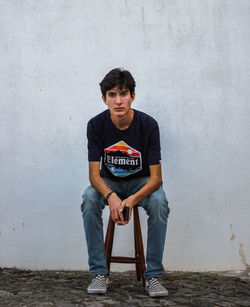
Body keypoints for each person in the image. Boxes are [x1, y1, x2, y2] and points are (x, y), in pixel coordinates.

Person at [81, 68, 170, 297]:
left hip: (141, 183)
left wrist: (131, 199)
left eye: (123, 93)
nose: (118, 101)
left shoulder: (148, 125)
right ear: (104, 99)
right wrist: (111, 196)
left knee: (160, 202)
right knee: (89, 198)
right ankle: (99, 272)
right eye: (112, 95)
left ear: (132, 96)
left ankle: (153, 276)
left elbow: (156, 179)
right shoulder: (96, 125)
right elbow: (94, 175)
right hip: (109, 182)